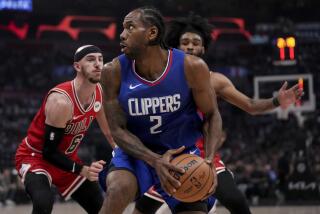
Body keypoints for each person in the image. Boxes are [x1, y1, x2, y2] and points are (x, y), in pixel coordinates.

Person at [133, 14, 304, 214]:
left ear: (203, 48)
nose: (190, 46)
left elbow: (250, 105)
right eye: (185, 42)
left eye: (196, 43)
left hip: (202, 156)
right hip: (169, 156)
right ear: (176, 47)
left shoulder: (215, 80)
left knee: (236, 200)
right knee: (142, 207)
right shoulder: (160, 79)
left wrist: (276, 101)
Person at [99, 7, 223, 214]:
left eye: (130, 27)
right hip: (136, 154)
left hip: (180, 155)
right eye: (123, 28)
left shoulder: (191, 67)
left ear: (152, 33)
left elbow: (211, 115)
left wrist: (209, 159)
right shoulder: (112, 72)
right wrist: (154, 160)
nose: (122, 35)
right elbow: (117, 130)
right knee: (118, 189)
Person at [15, 45, 115, 214]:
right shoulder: (61, 102)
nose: (98, 64)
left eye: (100, 59)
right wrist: (83, 170)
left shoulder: (99, 92)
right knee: (43, 203)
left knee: (103, 209)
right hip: (36, 157)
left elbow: (109, 132)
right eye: (91, 60)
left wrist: (121, 154)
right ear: (77, 66)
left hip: (67, 159)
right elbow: (49, 152)